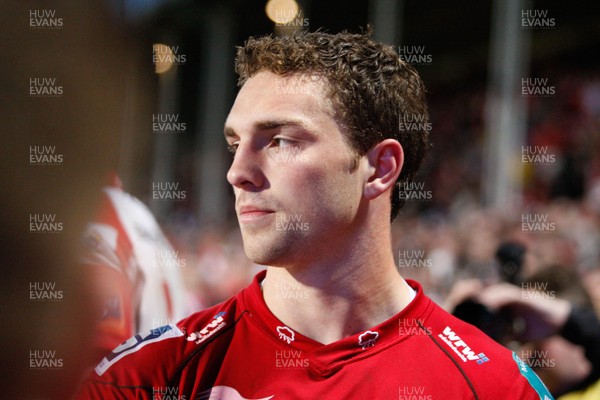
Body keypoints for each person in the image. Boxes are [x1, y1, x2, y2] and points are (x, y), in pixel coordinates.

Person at [76, 30, 553, 399]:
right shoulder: (143, 379)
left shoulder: (495, 387)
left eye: (280, 140)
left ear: (379, 168)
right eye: (235, 144)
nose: (237, 173)